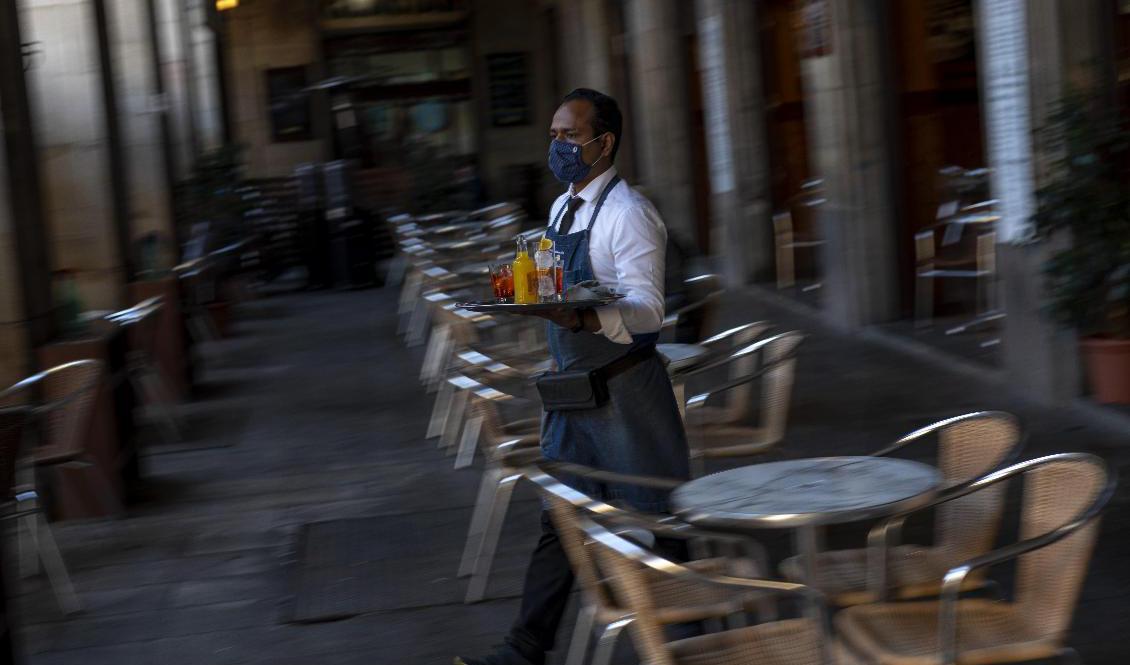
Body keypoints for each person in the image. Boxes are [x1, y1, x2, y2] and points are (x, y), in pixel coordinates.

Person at [455, 89, 690, 665]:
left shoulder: (630, 214)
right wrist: (528, 293)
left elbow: (650, 312)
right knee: (559, 517)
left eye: (568, 136)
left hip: (627, 394)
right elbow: (554, 280)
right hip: (571, 390)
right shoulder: (564, 206)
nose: (556, 146)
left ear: (603, 142)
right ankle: (524, 649)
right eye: (554, 135)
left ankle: (698, 643)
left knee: (661, 525)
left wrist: (584, 314)